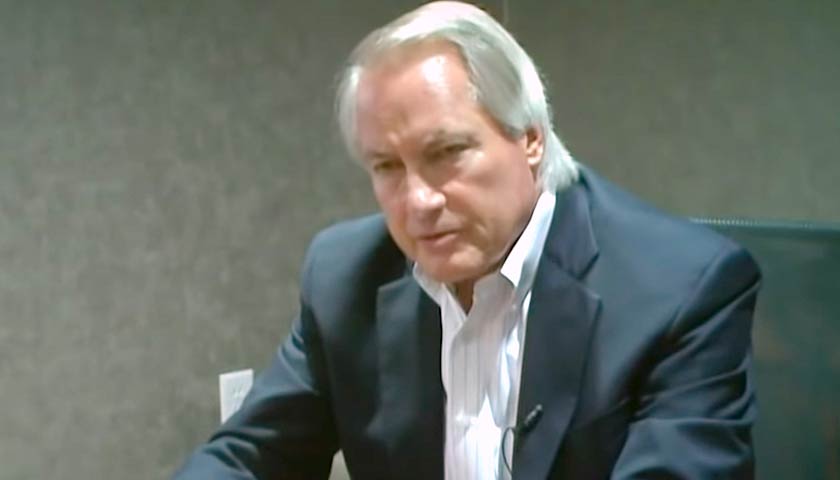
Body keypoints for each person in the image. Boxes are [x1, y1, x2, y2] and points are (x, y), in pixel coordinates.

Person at [175, 2, 761, 478]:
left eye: (447, 152)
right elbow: (250, 458)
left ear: (530, 138)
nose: (418, 202)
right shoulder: (344, 277)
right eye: (387, 167)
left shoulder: (680, 290)